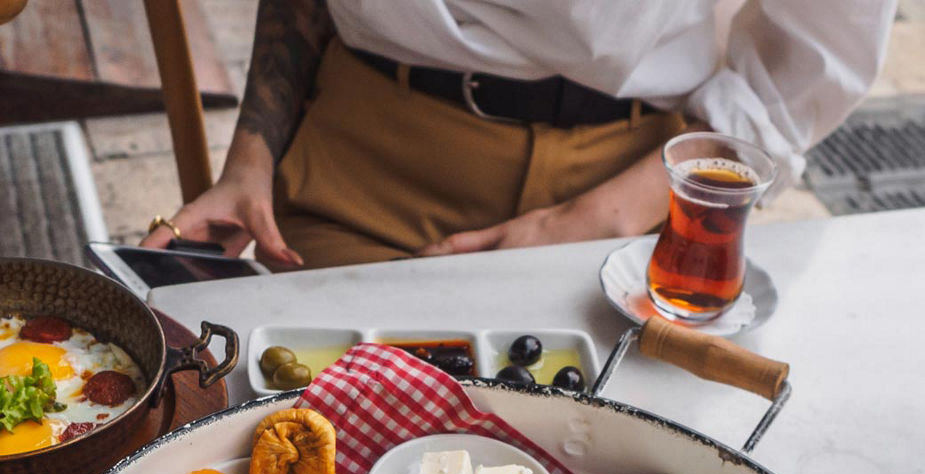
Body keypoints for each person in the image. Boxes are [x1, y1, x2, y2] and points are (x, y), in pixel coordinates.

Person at [143, 0, 896, 270]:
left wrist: (595, 218)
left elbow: (812, 52)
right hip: (359, 167)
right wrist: (251, 157)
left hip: (628, 184)